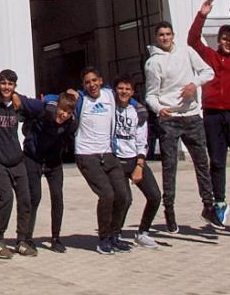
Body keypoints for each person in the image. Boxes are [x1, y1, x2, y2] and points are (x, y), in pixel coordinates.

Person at [188, 0, 230, 227]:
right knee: (216, 160)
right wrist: (202, 15)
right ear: (218, 40)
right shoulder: (210, 56)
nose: (228, 42)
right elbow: (193, 40)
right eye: (224, 39)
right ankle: (219, 202)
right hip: (213, 115)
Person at [144, 20, 217, 231]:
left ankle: (208, 206)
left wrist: (194, 85)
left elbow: (208, 72)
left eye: (168, 34)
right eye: (161, 35)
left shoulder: (187, 52)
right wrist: (159, 109)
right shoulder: (153, 63)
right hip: (170, 118)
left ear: (173, 35)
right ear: (156, 38)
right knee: (170, 166)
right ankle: (169, 209)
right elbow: (151, 94)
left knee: (202, 162)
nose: (165, 38)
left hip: (192, 115)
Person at [74, 66, 131, 254]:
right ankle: (103, 239)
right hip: (86, 154)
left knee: (122, 195)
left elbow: (128, 99)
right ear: (83, 86)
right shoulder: (81, 100)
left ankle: (115, 235)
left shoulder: (109, 96)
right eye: (87, 82)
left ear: (100, 80)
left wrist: (142, 110)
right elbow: (54, 100)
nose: (92, 85)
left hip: (107, 153)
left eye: (94, 81)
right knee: (107, 194)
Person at [22, 91, 78, 253]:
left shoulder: (71, 123)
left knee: (57, 197)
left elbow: (69, 137)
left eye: (68, 112)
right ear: (57, 107)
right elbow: (23, 101)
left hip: (53, 161)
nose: (64, 115)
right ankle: (27, 237)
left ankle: (56, 238)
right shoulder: (43, 110)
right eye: (62, 110)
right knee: (34, 197)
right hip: (33, 157)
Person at [113, 76, 160, 249]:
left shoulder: (138, 112)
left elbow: (142, 141)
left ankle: (143, 232)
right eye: (120, 88)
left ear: (132, 92)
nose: (123, 92)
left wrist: (139, 165)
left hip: (134, 158)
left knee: (154, 195)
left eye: (127, 89)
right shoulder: (110, 108)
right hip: (116, 160)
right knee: (124, 198)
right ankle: (115, 233)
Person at [0, 69, 35, 258]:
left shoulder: (18, 106)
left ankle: (22, 240)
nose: (7, 87)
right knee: (6, 200)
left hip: (18, 160)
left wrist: (17, 97)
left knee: (25, 201)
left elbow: (37, 109)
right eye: (3, 83)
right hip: (0, 162)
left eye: (10, 84)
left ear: (15, 87)